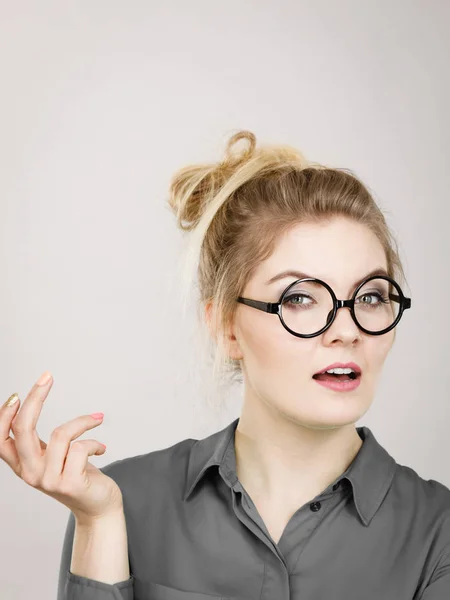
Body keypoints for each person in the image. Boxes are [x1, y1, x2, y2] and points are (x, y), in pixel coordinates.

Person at [2, 131, 449, 600]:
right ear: (226, 328)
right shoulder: (122, 500)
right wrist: (99, 523)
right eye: (299, 298)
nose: (347, 330)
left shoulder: (438, 533)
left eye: (371, 296)